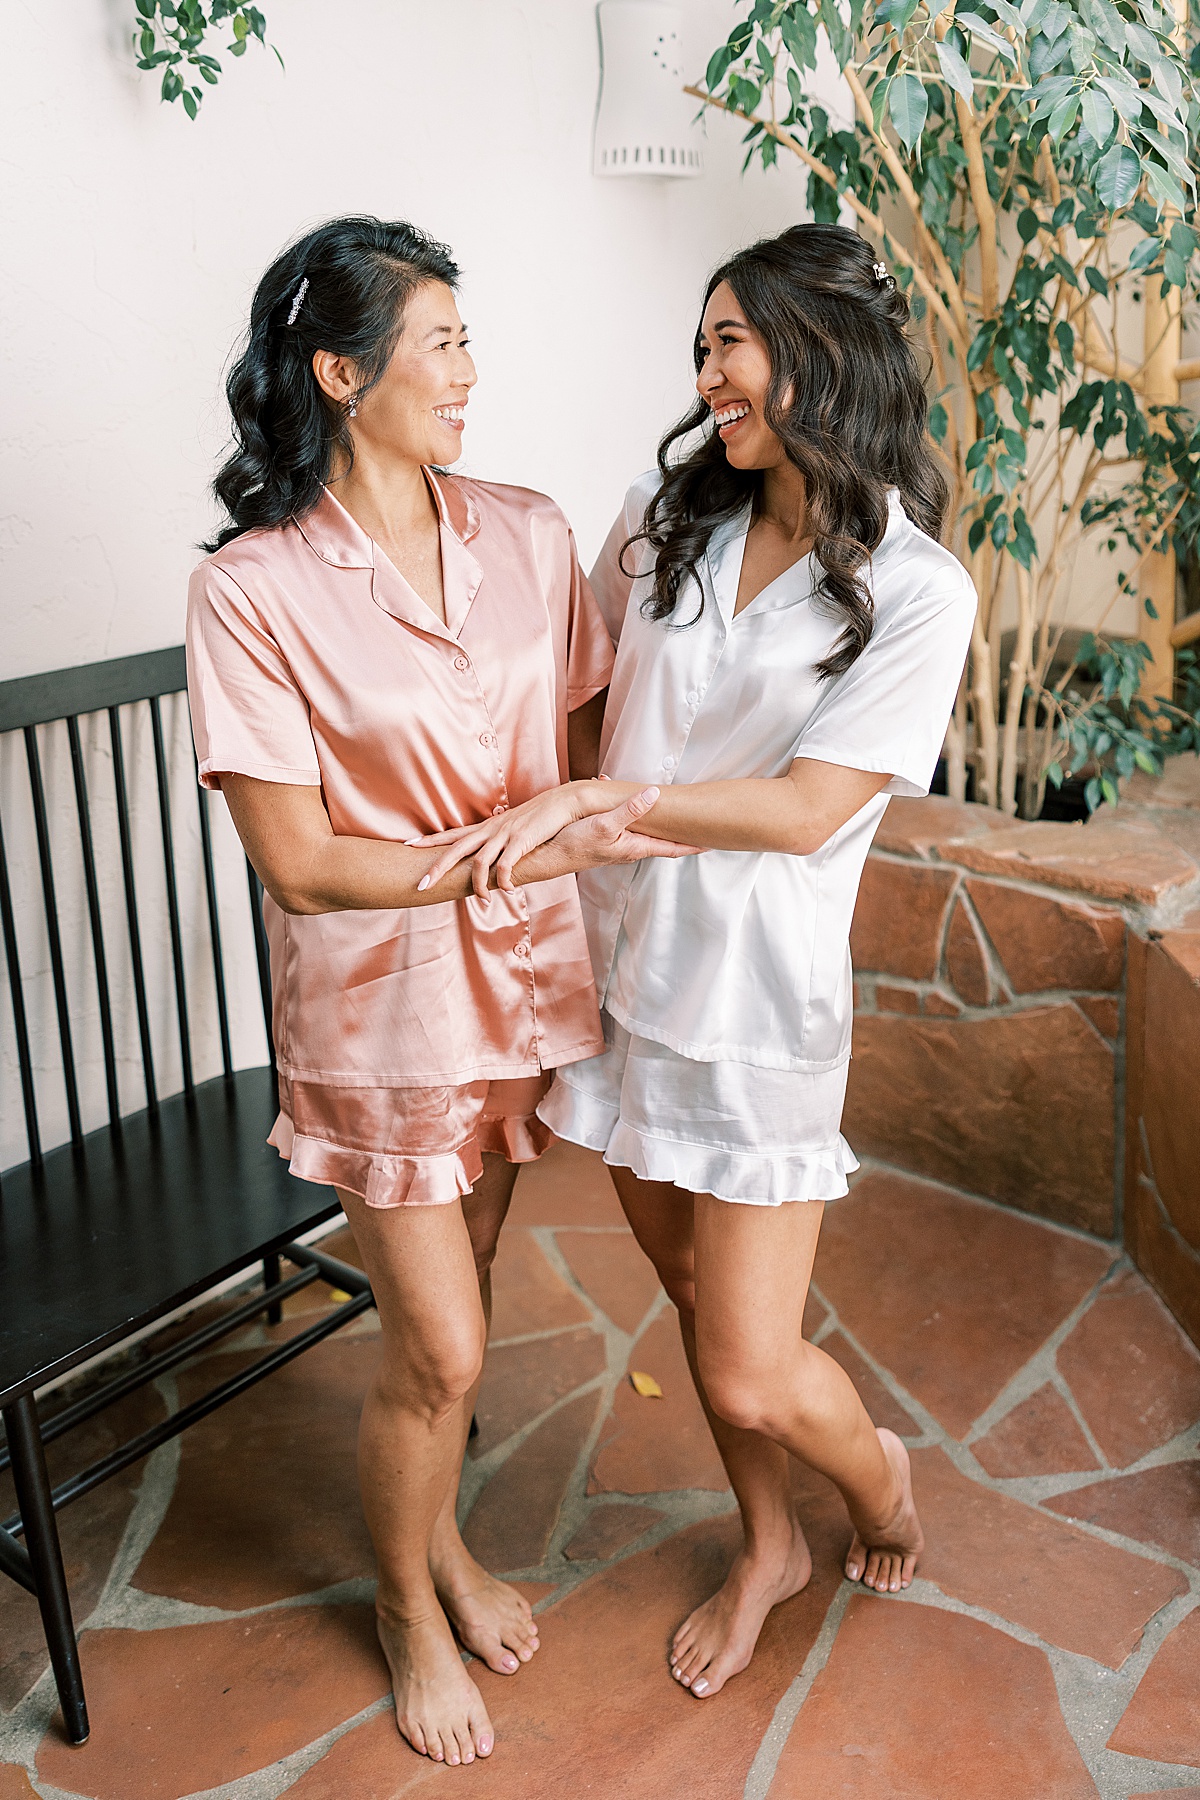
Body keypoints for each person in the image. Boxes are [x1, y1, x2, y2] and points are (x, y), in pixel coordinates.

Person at [414, 223, 977, 1702]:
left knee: (744, 1363)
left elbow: (805, 812)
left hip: (754, 1009)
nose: (709, 374)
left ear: (821, 355)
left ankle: (886, 1487)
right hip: (623, 982)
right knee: (682, 1289)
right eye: (704, 347)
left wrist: (615, 813)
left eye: (732, 340)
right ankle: (769, 1540)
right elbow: (592, 709)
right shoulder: (665, 525)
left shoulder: (920, 592)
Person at [185, 215, 694, 1766]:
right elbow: (300, 862)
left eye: (470, 339)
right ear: (342, 374)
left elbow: (599, 751)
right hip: (385, 1020)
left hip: (529, 1000)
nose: (472, 372)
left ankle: (449, 1552)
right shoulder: (255, 592)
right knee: (445, 1352)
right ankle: (407, 1609)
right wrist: (495, 857)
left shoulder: (533, 533)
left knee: (459, 1296)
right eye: (441, 345)